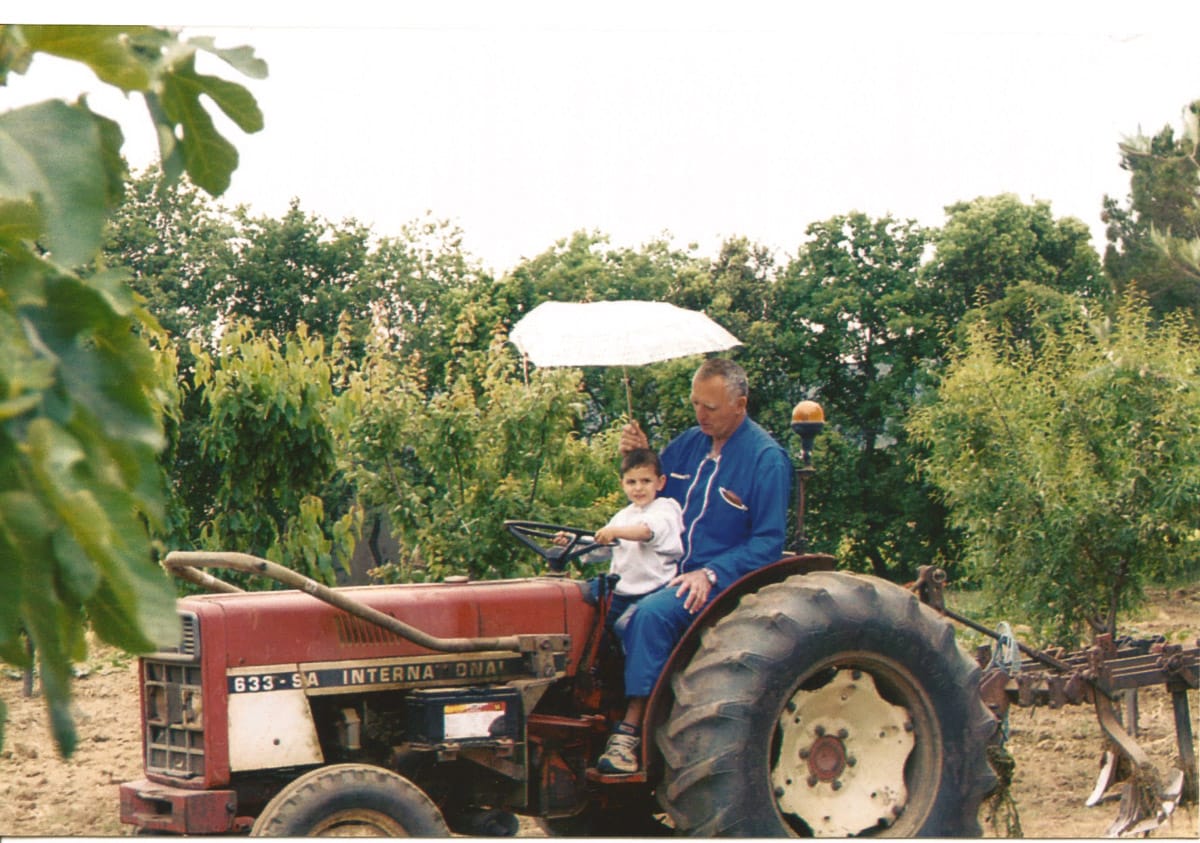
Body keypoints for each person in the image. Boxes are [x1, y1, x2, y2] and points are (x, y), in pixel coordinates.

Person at [596, 357, 792, 774]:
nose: (700, 415)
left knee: (651, 616)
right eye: (696, 404)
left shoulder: (766, 459)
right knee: (590, 604)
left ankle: (630, 732)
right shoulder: (688, 444)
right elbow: (651, 491)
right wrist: (637, 454)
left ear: (740, 404)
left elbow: (769, 542)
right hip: (661, 567)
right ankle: (590, 713)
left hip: (720, 579)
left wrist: (710, 572)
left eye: (712, 407)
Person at [589, 448, 684, 636]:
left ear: (660, 482)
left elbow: (646, 531)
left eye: (646, 481)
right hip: (620, 592)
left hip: (653, 591)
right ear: (622, 484)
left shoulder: (665, 509)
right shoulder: (623, 516)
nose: (638, 488)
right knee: (587, 615)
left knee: (627, 627)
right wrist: (569, 542)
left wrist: (614, 532)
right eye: (631, 482)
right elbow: (602, 546)